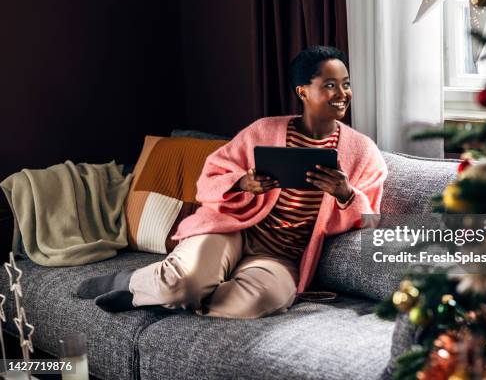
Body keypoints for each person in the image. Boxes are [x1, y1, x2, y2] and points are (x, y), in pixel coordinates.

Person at [77, 45, 388, 318]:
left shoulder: (362, 151)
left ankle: (166, 295)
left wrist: (346, 193)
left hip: (279, 257)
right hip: (232, 232)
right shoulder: (263, 131)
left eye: (346, 85)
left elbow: (370, 219)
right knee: (185, 281)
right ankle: (134, 282)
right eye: (330, 85)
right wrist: (242, 183)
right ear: (303, 91)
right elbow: (210, 176)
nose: (342, 94)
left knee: (258, 301)